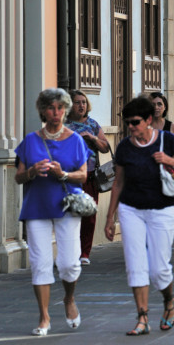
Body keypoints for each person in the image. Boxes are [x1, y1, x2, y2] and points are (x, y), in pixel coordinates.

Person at [104, 96, 174, 335]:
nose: (131, 127)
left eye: (135, 122)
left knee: (159, 268)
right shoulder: (124, 146)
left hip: (161, 209)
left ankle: (168, 301)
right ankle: (142, 318)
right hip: (131, 209)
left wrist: (170, 160)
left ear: (147, 120)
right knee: (135, 265)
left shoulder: (166, 139)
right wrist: (109, 218)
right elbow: (118, 183)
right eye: (127, 123)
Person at [14, 88, 90, 336]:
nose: (56, 113)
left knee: (69, 263)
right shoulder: (30, 140)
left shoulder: (75, 139)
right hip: (37, 206)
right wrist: (32, 173)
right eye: (50, 108)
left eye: (60, 108)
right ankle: (44, 316)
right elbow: (18, 177)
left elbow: (83, 175)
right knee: (40, 263)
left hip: (67, 206)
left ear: (65, 110)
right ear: (42, 111)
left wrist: (63, 174)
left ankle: (69, 299)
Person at [65, 90, 110, 266]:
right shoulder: (64, 125)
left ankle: (84, 252)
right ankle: (69, 252)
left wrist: (91, 137)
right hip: (69, 177)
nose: (81, 105)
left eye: (83, 102)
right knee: (69, 215)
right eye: (77, 102)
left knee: (88, 215)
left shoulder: (92, 124)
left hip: (90, 175)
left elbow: (106, 147)